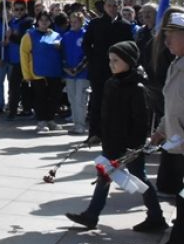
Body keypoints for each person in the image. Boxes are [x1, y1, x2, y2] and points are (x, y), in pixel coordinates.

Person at [65, 40, 166, 233]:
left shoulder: (137, 87)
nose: (111, 64)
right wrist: (96, 133)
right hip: (111, 141)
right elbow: (103, 111)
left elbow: (140, 121)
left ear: (129, 61)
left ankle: (156, 216)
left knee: (139, 180)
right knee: (104, 175)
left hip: (129, 146)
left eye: (116, 60)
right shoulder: (111, 83)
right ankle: (91, 215)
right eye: (110, 60)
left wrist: (135, 146)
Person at [145, 12, 184, 244]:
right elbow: (173, 108)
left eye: (171, 37)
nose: (167, 42)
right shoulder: (176, 64)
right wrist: (160, 131)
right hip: (177, 146)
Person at [83, 0, 134, 138]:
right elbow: (86, 44)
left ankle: (115, 134)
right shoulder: (95, 24)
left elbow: (130, 46)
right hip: (99, 70)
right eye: (110, 5)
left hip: (118, 72)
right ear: (105, 6)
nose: (113, 8)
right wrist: (93, 59)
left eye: (116, 5)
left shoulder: (125, 25)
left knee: (117, 104)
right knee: (97, 102)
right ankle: (95, 134)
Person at [21, 10, 64, 133]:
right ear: (37, 21)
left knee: (54, 97)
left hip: (54, 72)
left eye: (47, 20)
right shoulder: (29, 35)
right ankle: (41, 121)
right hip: (37, 73)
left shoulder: (56, 35)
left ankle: (50, 120)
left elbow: (62, 53)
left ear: (50, 21)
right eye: (41, 20)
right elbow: (24, 55)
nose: (44, 22)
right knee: (40, 98)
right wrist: (26, 74)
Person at [4, 0, 35, 119]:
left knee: (24, 86)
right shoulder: (11, 22)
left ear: (25, 10)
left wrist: (10, 36)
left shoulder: (28, 21)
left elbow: (22, 39)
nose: (19, 12)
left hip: (25, 60)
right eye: (16, 9)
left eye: (21, 9)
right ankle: (15, 110)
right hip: (14, 59)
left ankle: (24, 109)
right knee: (15, 87)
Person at [61, 11, 90, 134]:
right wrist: (66, 68)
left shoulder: (86, 35)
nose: (73, 24)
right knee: (72, 99)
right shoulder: (66, 36)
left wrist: (77, 69)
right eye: (71, 22)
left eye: (76, 22)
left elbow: (87, 55)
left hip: (82, 73)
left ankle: (81, 125)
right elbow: (62, 54)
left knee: (80, 100)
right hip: (69, 74)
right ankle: (75, 123)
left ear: (81, 22)